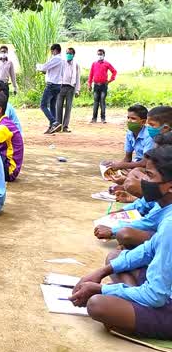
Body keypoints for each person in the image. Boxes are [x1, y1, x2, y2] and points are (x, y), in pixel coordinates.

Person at [70, 145, 172, 341]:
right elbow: (148, 250)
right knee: (115, 258)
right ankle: (130, 301)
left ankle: (132, 310)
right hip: (162, 290)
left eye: (149, 176)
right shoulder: (167, 210)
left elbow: (156, 296)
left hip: (164, 299)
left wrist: (102, 289)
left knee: (98, 304)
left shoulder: (170, 224)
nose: (144, 182)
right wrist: (101, 272)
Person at [94, 194, 172, 249]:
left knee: (125, 234)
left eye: (149, 175)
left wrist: (113, 230)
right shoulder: (161, 196)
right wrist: (122, 210)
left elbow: (148, 223)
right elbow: (146, 202)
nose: (146, 180)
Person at [101, 105, 152, 173]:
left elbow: (145, 163)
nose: (129, 121)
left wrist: (120, 165)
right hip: (138, 163)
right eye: (128, 117)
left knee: (133, 173)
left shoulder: (149, 136)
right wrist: (114, 165)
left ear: (143, 122)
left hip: (150, 166)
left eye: (133, 118)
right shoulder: (130, 133)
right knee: (108, 165)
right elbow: (127, 158)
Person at [37, 44, 64, 134]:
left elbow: (45, 66)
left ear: (55, 50)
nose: (51, 53)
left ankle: (54, 122)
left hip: (52, 85)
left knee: (43, 105)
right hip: (58, 84)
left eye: (52, 51)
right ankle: (51, 127)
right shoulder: (62, 60)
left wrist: (38, 66)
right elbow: (51, 70)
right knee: (52, 106)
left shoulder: (56, 58)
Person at [55, 47, 81, 133]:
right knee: (58, 106)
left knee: (68, 107)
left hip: (71, 87)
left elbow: (78, 78)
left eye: (70, 53)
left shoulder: (76, 65)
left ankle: (65, 126)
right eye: (67, 53)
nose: (68, 55)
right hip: (61, 87)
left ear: (73, 55)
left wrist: (77, 90)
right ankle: (58, 125)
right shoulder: (62, 63)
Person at [88, 49, 117, 124]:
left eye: (101, 54)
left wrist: (110, 80)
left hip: (104, 85)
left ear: (104, 55)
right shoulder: (94, 64)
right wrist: (89, 84)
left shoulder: (107, 64)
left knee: (102, 101)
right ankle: (94, 118)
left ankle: (103, 118)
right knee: (95, 102)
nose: (99, 56)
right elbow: (91, 74)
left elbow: (114, 71)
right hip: (96, 85)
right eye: (98, 54)